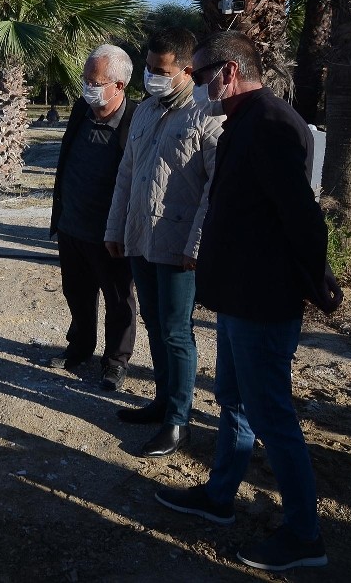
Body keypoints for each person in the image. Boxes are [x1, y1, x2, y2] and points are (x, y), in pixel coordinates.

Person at [154, 31, 342, 572]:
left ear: (229, 70)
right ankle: (219, 498)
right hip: (239, 295)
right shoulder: (244, 122)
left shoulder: (271, 123)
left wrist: (315, 275)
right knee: (234, 401)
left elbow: (301, 215)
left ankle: (305, 536)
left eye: (199, 71)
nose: (192, 81)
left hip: (264, 299)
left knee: (272, 415)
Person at [105, 27, 221, 457]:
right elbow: (127, 174)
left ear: (187, 70)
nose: (151, 76)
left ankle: (178, 422)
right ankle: (161, 400)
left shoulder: (208, 112)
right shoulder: (146, 111)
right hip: (140, 238)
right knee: (154, 324)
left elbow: (214, 187)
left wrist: (197, 244)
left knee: (176, 331)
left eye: (160, 69)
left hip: (178, 245)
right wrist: (115, 228)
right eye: (149, 67)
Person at [49, 44, 137, 391]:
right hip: (72, 225)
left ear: (118, 85)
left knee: (118, 299)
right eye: (86, 79)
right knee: (77, 294)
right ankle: (80, 348)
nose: (87, 87)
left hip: (110, 232)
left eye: (95, 81)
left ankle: (115, 362)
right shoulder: (80, 111)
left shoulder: (135, 119)